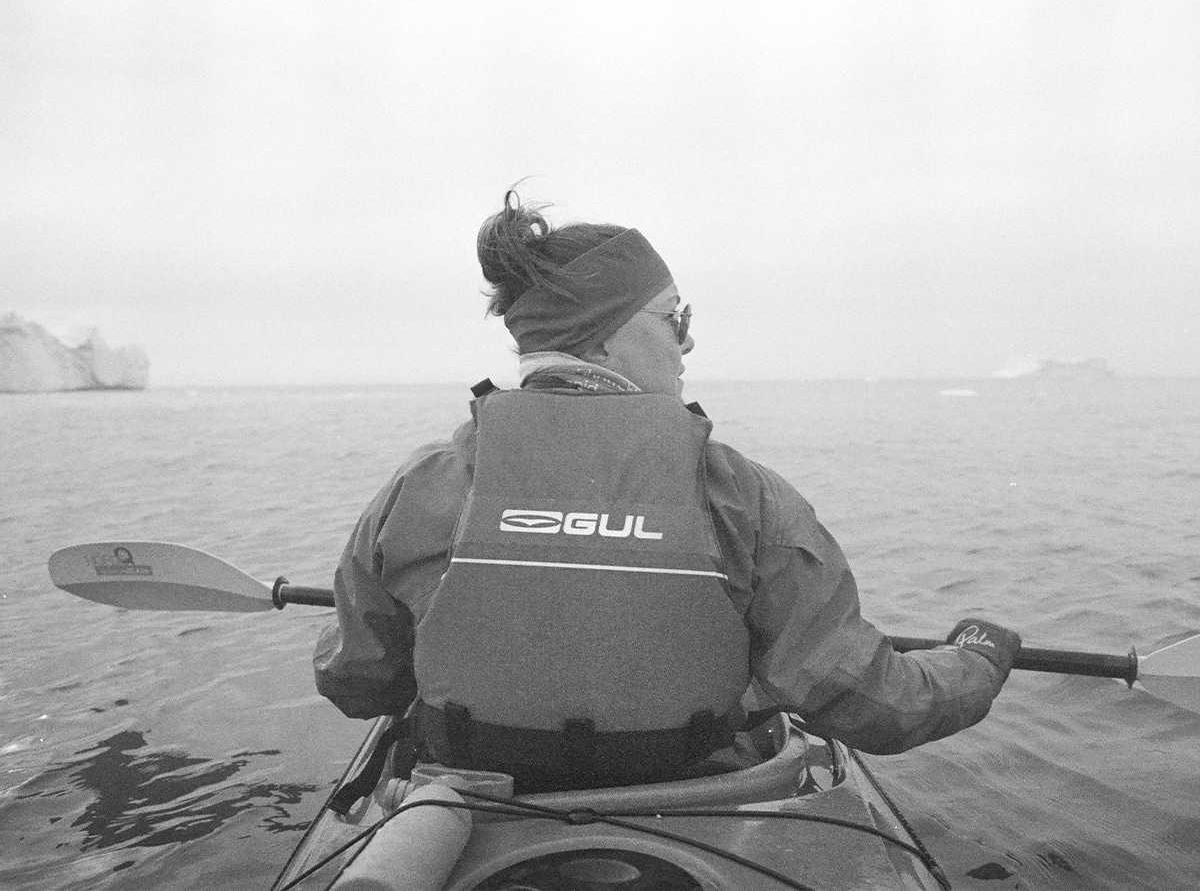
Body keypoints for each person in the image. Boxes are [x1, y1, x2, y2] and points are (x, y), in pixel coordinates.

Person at [313, 189, 1021, 793]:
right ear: (607, 337)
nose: (686, 345)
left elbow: (359, 684)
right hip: (693, 794)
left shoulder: (418, 487)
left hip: (470, 802)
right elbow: (872, 705)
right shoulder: (743, 495)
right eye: (674, 318)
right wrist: (978, 660)